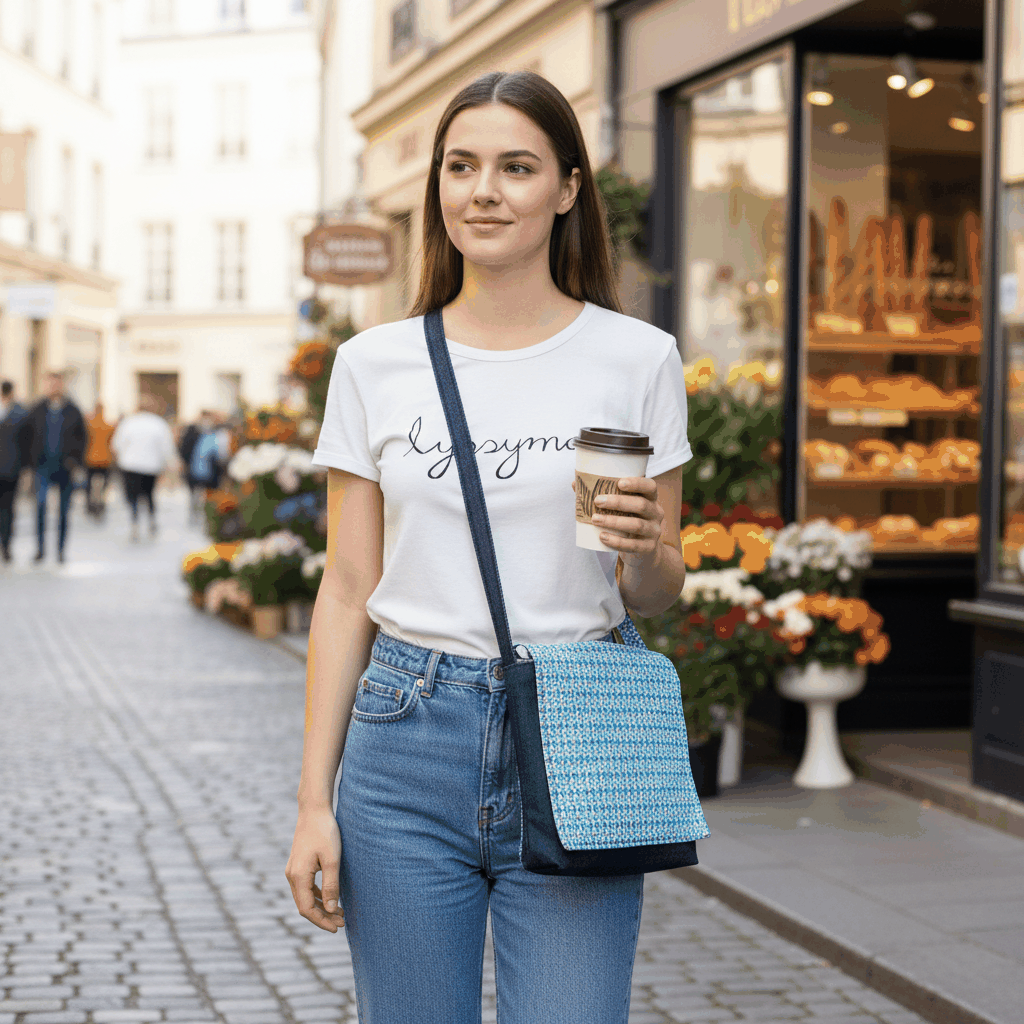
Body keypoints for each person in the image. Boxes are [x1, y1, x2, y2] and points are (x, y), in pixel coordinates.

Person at [285, 71, 691, 1023]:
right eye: (461, 166)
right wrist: (313, 802)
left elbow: (655, 592)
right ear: (436, 187)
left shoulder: (636, 358)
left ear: (567, 188)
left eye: (516, 167)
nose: (484, 190)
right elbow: (348, 587)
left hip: (578, 727)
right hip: (405, 738)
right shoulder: (375, 365)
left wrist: (644, 549)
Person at [22, 370, 86, 563]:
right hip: (42, 466)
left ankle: (60, 550)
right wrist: (29, 462)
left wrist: (75, 461)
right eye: (50, 383)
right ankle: (40, 549)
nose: (54, 387)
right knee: (40, 505)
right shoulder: (37, 409)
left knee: (64, 511)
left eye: (57, 383)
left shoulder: (73, 410)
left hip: (65, 467)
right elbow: (27, 436)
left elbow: (82, 438)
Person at [111, 394, 177, 540]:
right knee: (149, 495)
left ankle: (134, 522)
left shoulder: (128, 423)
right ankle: (151, 520)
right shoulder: (158, 423)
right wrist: (169, 464)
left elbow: (117, 444)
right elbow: (166, 447)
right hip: (150, 466)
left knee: (133, 496)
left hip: (130, 465)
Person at [0, 380, 27, 563]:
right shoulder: (20, 413)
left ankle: (6, 545)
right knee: (8, 509)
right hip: (12, 467)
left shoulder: (20, 414)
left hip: (11, 469)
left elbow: (26, 442)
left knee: (8, 509)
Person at [84, 402, 116, 518]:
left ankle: (89, 503)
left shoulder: (89, 425)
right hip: (104, 459)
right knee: (104, 484)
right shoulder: (107, 426)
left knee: (89, 484)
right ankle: (101, 501)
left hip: (90, 458)